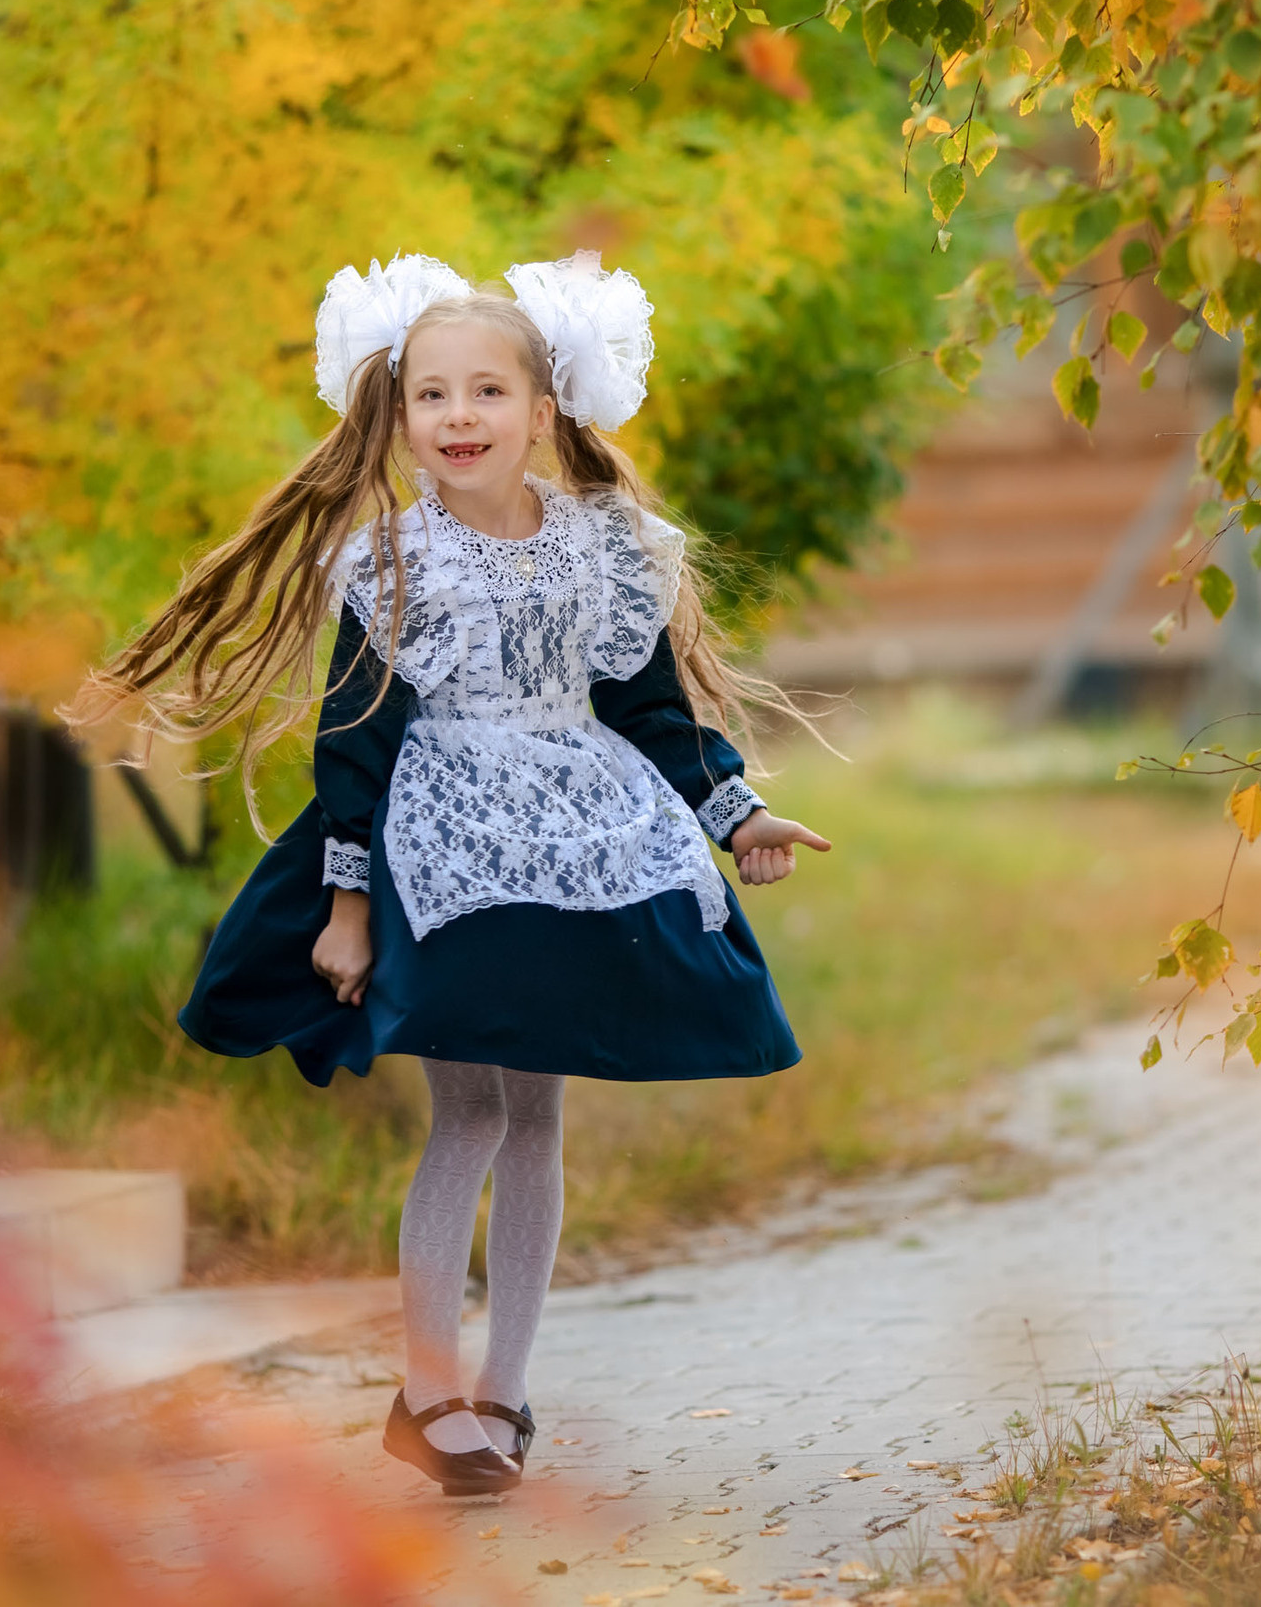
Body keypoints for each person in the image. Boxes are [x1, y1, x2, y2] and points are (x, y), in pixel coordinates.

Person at [72, 252, 829, 1497]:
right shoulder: (390, 563)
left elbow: (650, 708)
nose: (459, 418)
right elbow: (354, 744)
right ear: (398, 414)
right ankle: (428, 1392)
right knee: (468, 1113)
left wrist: (736, 813)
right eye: (432, 396)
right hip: (443, 846)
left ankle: (506, 1392)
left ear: (545, 412)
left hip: (576, 835)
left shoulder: (611, 548)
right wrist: (351, 910)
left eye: (487, 393)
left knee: (537, 1118)